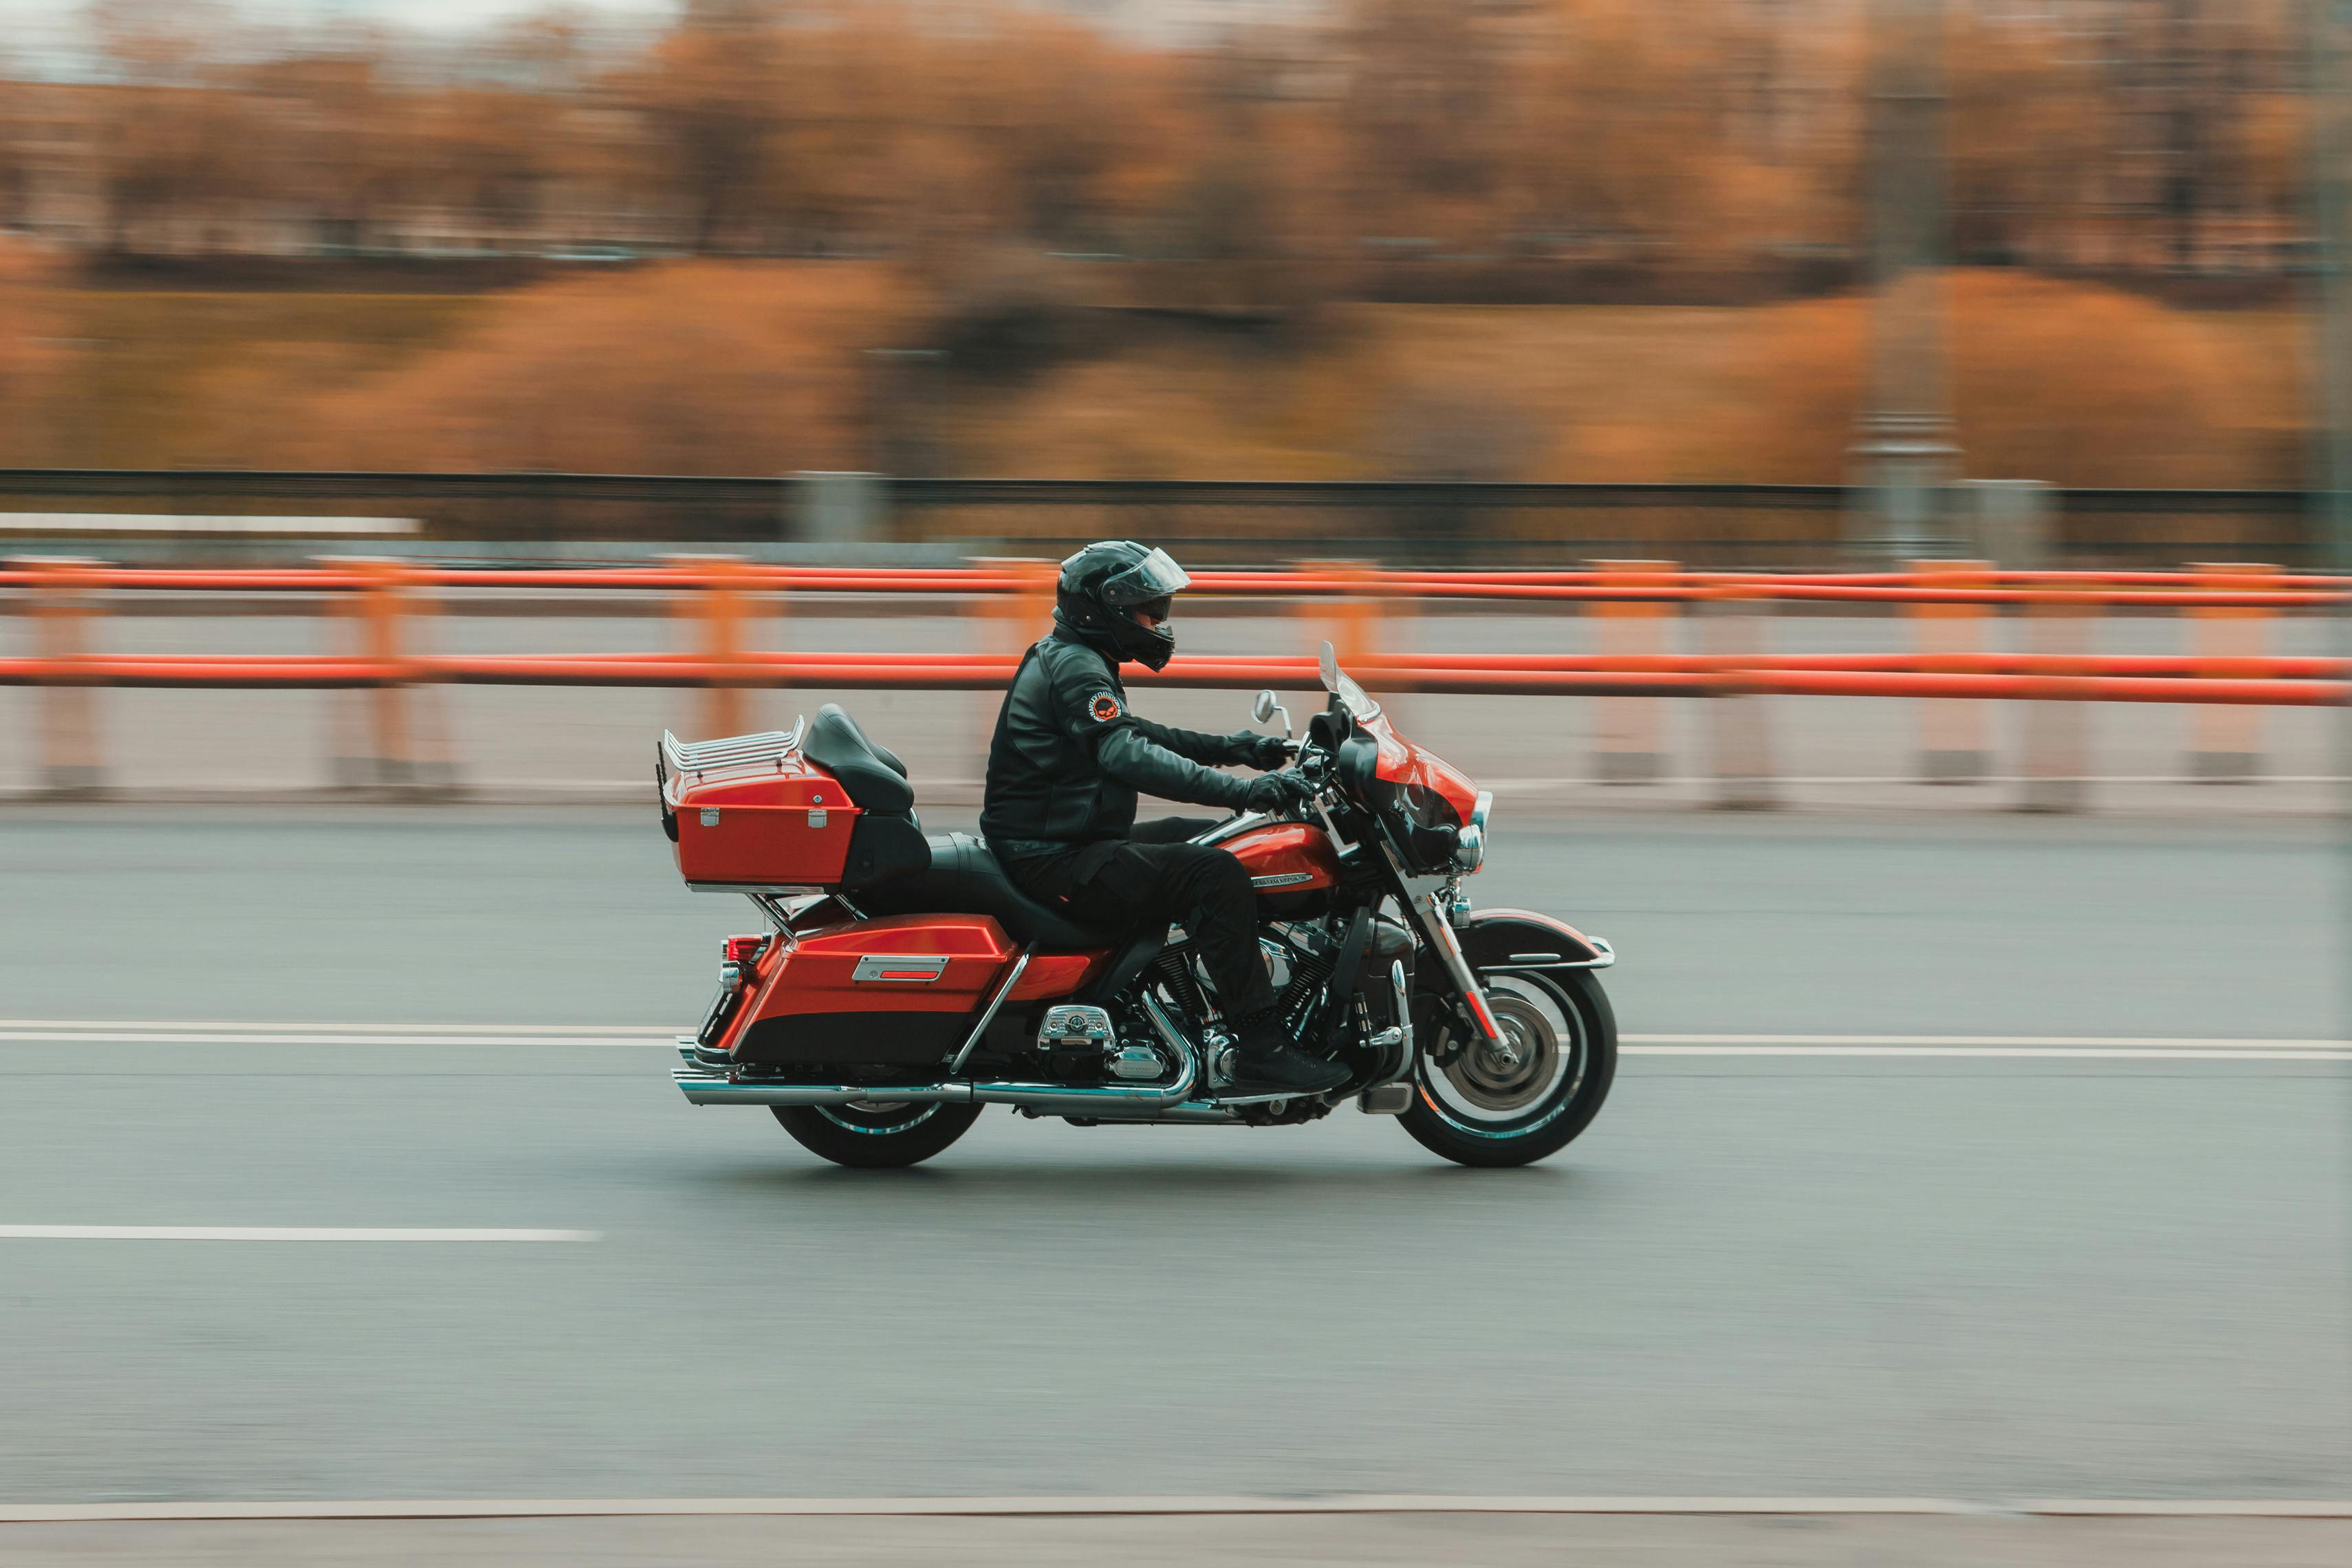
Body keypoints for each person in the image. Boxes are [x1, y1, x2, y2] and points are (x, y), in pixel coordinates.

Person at [980, 541, 1351, 1096]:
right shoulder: (1077, 667)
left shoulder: (1074, 655)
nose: (1158, 623)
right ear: (1104, 609)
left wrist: (1236, 747)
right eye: (1147, 612)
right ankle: (1262, 1048)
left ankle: (1194, 995)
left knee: (1208, 842)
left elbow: (1137, 733)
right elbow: (1126, 754)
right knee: (1216, 875)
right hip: (1053, 858)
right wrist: (1247, 792)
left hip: (1067, 840)